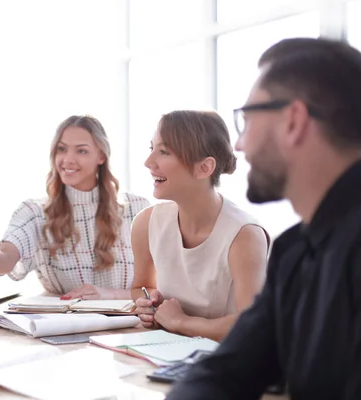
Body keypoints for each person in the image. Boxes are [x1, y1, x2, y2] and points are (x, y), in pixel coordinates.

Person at [166, 37, 361, 400]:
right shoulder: (294, 252)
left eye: (248, 119)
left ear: (294, 122)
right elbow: (226, 371)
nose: (238, 146)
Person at [0, 115, 149, 299]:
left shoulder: (137, 209)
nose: (67, 159)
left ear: (101, 156)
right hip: (63, 323)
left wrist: (109, 295)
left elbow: (157, 290)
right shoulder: (35, 212)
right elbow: (4, 263)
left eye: (81, 151)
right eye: (61, 149)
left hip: (130, 324)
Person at [131, 110, 269, 341]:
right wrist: (148, 304)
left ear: (204, 168)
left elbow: (252, 325)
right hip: (166, 348)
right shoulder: (146, 223)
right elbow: (140, 287)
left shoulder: (244, 235)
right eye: (151, 148)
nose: (148, 162)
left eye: (163, 151)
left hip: (227, 361)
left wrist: (181, 322)